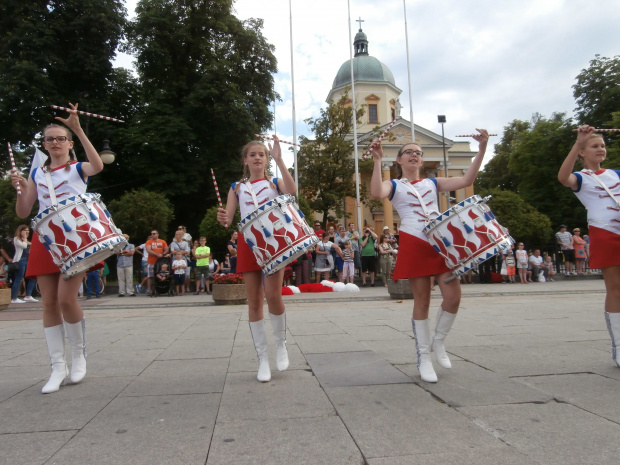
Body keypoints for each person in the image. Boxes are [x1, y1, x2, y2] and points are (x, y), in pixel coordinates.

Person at [369, 129, 489, 382]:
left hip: (440, 242)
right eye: (408, 152)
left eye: (418, 153)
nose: (414, 155)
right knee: (421, 301)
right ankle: (423, 357)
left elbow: (466, 180)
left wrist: (481, 150)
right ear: (399, 160)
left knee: (453, 297)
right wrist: (378, 160)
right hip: (414, 241)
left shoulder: (433, 183)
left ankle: (439, 342)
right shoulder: (394, 185)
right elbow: (376, 193)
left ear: (422, 161)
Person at [11, 103, 104, 393]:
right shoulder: (37, 173)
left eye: (60, 138)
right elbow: (23, 213)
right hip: (44, 239)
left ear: (69, 143)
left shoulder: (78, 168)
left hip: (76, 237)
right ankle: (56, 366)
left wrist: (77, 127)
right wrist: (21, 191)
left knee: (66, 299)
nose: (54, 142)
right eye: (49, 139)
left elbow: (98, 165)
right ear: (44, 144)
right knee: (48, 302)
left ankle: (79, 357)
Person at [217, 135, 295, 382]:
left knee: (273, 295)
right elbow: (228, 219)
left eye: (262, 154)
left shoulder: (274, 182)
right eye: (253, 154)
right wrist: (222, 218)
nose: (258, 157)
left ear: (266, 159)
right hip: (248, 242)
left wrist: (280, 160)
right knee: (253, 301)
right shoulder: (236, 188)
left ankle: (281, 344)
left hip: (273, 241)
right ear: (245, 160)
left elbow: (292, 192)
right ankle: (262, 359)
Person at [558, 125, 620, 367]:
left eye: (603, 145)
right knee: (615, 289)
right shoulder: (582, 178)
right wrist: (577, 142)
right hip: (605, 234)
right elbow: (563, 178)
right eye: (595, 146)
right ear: (582, 152)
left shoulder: (615, 173)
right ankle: (618, 346)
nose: (600, 149)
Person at [10, 225, 38, 303]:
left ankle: (28, 295)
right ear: (21, 231)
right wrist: (25, 238)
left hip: (27, 260)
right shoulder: (16, 239)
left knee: (32, 277)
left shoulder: (26, 240)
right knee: (19, 279)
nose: (27, 232)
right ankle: (14, 298)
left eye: (28, 230)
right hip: (20, 260)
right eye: (25, 230)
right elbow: (24, 246)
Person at [145, 230, 169, 295]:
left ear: (157, 234)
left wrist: (163, 254)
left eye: (154, 233)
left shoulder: (162, 241)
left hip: (160, 263)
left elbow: (166, 249)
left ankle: (159, 290)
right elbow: (148, 250)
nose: (152, 235)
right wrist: (157, 254)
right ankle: (149, 290)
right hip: (151, 262)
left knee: (160, 275)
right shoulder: (149, 242)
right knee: (150, 276)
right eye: (151, 234)